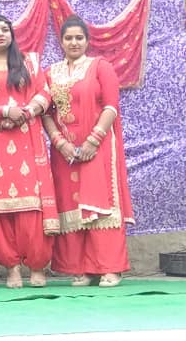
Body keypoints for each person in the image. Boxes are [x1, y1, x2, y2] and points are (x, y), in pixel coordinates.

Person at [0, 14, 58, 289]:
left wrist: (23, 113)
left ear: (12, 34)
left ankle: (37, 265)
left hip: (27, 136)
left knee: (31, 205)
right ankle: (11, 267)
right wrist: (5, 111)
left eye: (5, 29)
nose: (0, 34)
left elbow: (44, 93)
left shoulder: (28, 62)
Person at [41, 15, 134, 287]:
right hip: (65, 152)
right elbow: (46, 113)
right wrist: (60, 143)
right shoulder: (50, 73)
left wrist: (93, 141)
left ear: (87, 40)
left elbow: (111, 106)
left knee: (99, 202)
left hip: (98, 146)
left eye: (79, 38)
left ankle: (110, 267)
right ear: (60, 42)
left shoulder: (100, 67)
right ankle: (81, 268)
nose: (74, 42)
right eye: (68, 38)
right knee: (71, 204)